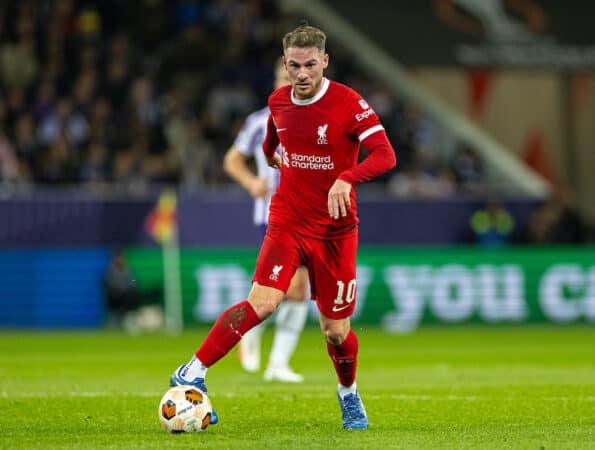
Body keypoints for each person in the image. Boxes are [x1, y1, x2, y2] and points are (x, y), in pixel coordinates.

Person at [170, 22, 397, 430]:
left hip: (336, 232)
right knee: (263, 303)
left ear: (324, 61)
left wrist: (347, 177)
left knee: (336, 332)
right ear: (285, 64)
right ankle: (193, 370)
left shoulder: (348, 103)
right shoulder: (278, 101)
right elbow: (271, 138)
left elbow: (385, 155)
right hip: (287, 220)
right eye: (295, 65)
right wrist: (272, 154)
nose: (303, 74)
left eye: (311, 65)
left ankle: (348, 393)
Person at [223, 58, 308, 383]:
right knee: (288, 287)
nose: (289, 80)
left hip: (307, 214)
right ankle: (253, 334)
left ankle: (276, 363)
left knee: (297, 290)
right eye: (282, 75)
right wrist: (251, 183)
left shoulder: (312, 119)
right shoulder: (260, 121)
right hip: (274, 215)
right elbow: (232, 159)